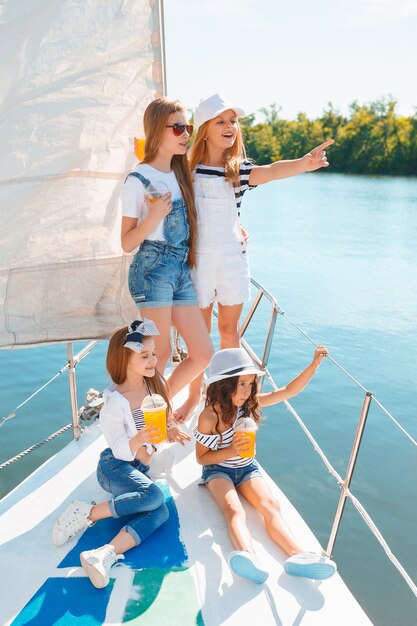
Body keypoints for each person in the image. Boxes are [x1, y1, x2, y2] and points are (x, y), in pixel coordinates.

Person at [174, 94, 333, 422]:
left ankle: (228, 400)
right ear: (204, 129)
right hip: (198, 260)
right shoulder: (185, 171)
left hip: (232, 259)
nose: (229, 126)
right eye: (221, 121)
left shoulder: (237, 171)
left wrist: (305, 163)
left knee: (229, 330)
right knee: (199, 337)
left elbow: (272, 171)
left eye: (233, 121)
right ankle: (193, 399)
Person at [52, 319, 190, 589]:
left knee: (159, 512)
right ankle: (87, 513)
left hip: (139, 470)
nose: (153, 360)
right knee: (153, 496)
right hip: (113, 467)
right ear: (124, 360)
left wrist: (170, 428)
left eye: (153, 353)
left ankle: (104, 554)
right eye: (144, 355)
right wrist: (140, 437)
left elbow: (160, 420)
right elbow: (118, 448)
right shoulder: (115, 402)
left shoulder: (153, 386)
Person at [194, 345, 337, 584]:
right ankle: (246, 555)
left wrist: (313, 366)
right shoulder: (209, 416)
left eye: (251, 383)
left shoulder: (250, 404)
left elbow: (288, 391)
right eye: (242, 384)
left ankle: (296, 556)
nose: (247, 390)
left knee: (270, 505)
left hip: (247, 468)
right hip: (218, 470)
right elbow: (202, 458)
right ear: (224, 384)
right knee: (234, 509)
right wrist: (230, 451)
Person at [121, 97, 213, 409]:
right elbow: (127, 242)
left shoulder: (181, 173)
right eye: (178, 128)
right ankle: (150, 423)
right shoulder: (137, 180)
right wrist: (153, 217)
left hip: (180, 269)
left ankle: (161, 407)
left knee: (202, 354)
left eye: (187, 127)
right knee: (157, 356)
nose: (186, 133)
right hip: (153, 269)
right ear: (158, 131)